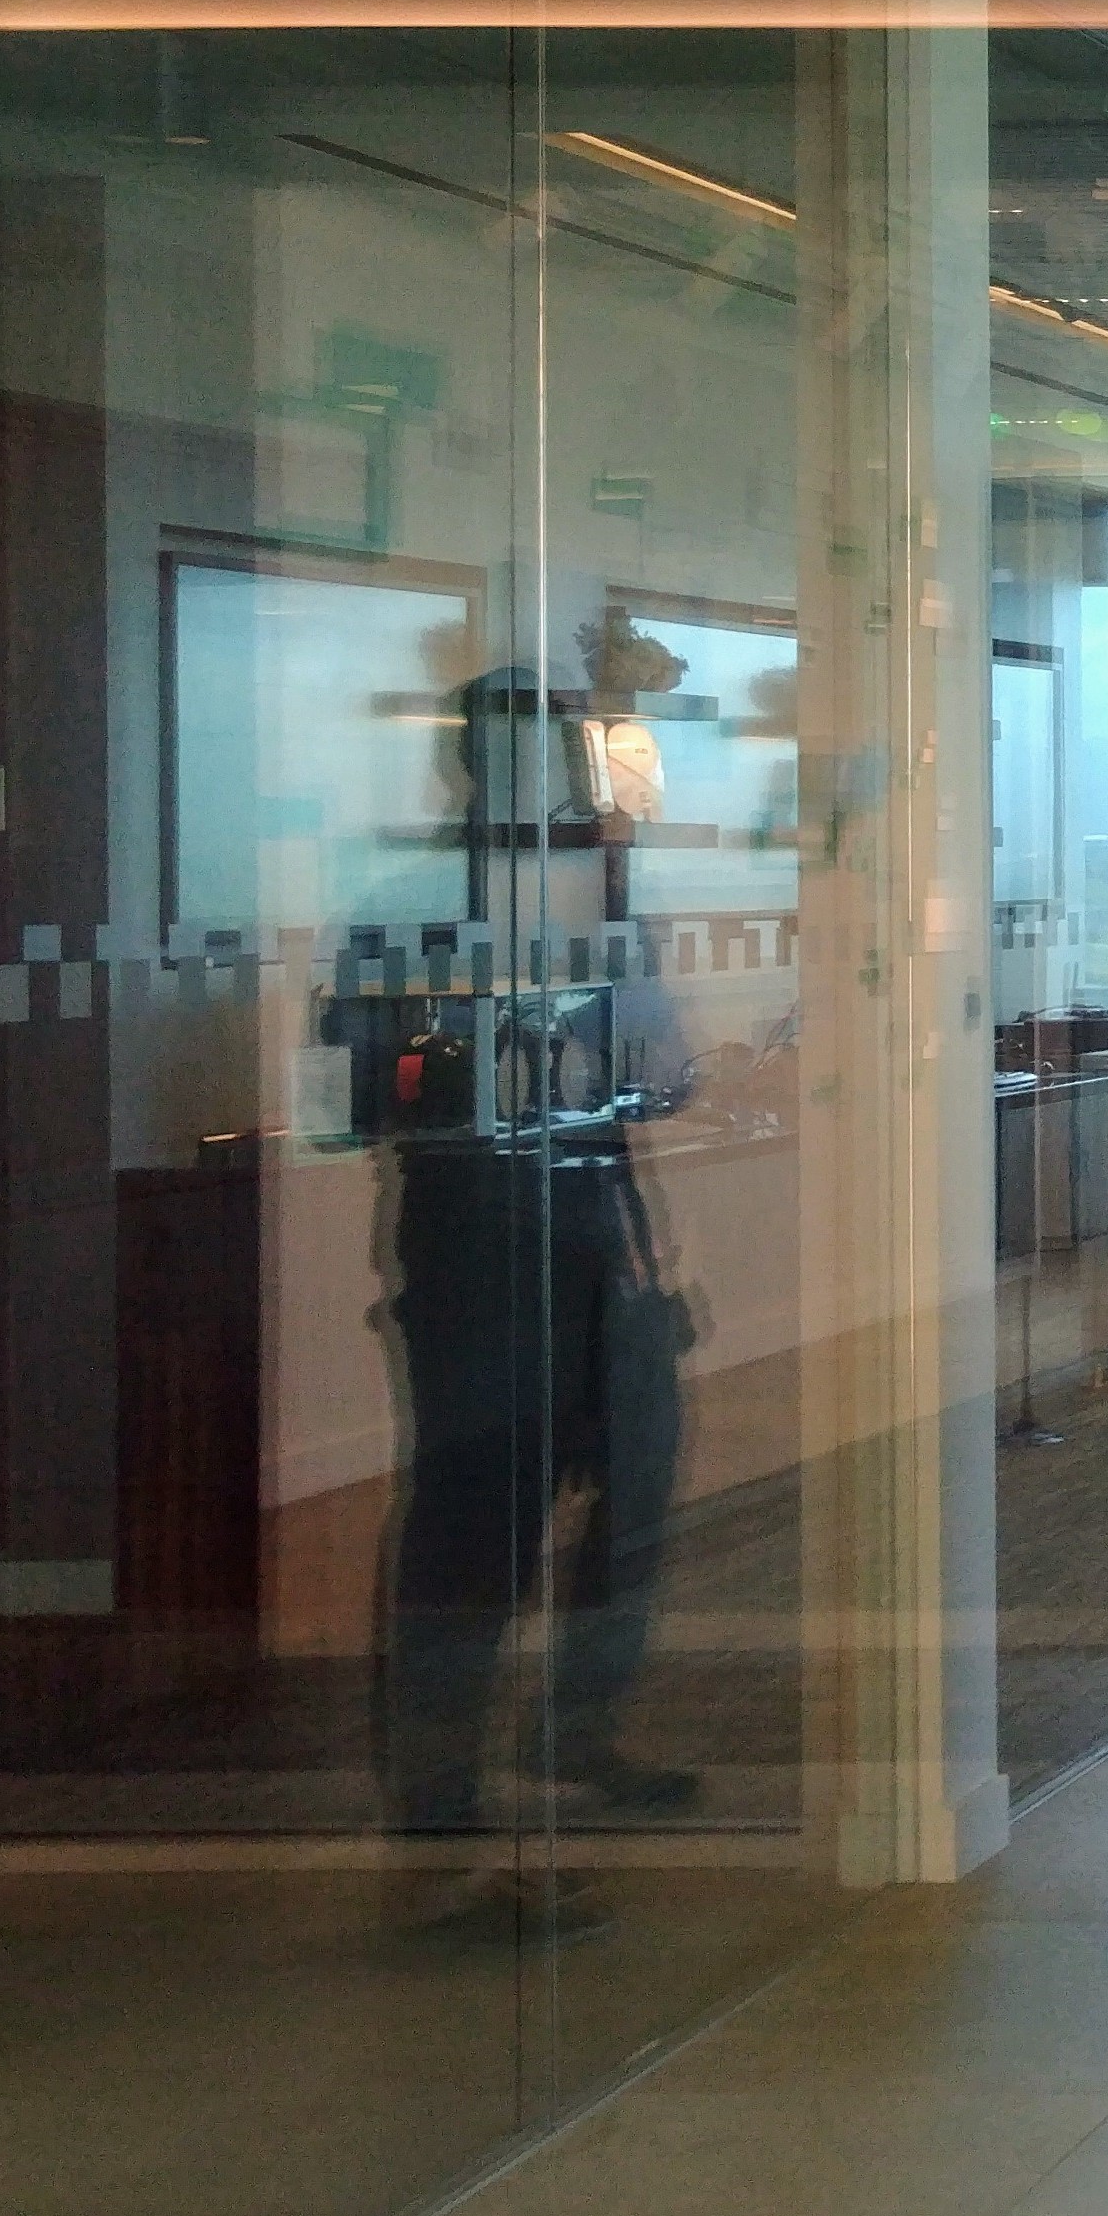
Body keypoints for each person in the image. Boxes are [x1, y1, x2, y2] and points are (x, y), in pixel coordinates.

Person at [371, 659, 701, 1941]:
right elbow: (366, 1078)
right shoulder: (410, 905)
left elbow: (654, 1068)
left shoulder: (599, 898)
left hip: (598, 1247)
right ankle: (439, 1802)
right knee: (475, 1522)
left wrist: (641, 1070)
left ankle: (576, 1731)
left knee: (633, 1487)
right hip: (475, 1255)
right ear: (474, 766)